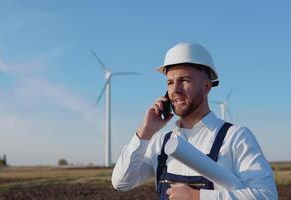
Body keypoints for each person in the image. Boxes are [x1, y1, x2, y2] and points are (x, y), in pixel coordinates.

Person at [111, 42, 277, 199]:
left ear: (207, 86)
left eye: (184, 80)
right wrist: (145, 131)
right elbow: (121, 183)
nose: (175, 90)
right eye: (170, 82)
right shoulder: (161, 143)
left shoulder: (236, 138)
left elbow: (267, 196)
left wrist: (198, 197)